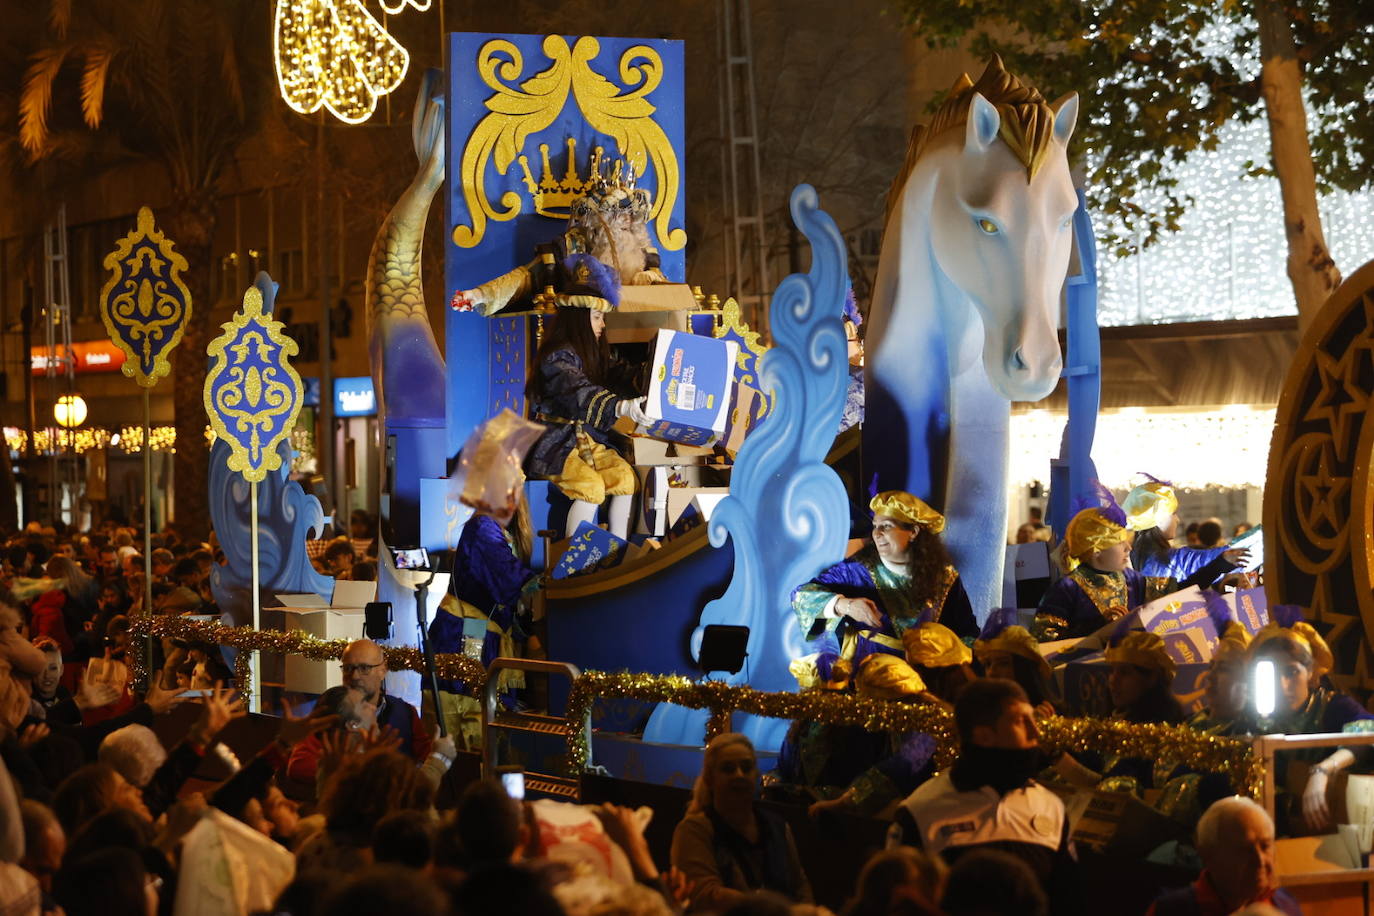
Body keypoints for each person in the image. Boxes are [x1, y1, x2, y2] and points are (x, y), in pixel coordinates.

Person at [894, 679, 1080, 914]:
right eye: (1021, 721)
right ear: (983, 735)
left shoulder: (1050, 806)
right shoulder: (920, 811)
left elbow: (1069, 901)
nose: (1035, 732)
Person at [792, 491, 977, 692]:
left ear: (913, 532)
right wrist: (846, 605)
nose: (876, 534)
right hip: (871, 682)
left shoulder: (944, 578)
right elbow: (802, 595)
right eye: (875, 527)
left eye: (886, 526)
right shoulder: (855, 571)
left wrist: (949, 650)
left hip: (927, 686)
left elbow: (967, 634)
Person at [523, 296, 645, 541]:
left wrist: (650, 377)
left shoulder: (592, 355)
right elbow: (578, 392)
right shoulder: (557, 358)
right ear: (579, 320)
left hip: (586, 439)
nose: (602, 324)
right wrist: (620, 407)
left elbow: (619, 374)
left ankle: (617, 550)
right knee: (590, 487)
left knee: (625, 478)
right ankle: (575, 561)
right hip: (554, 444)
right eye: (597, 317)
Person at [1246, 606, 1374, 833]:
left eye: (1291, 672)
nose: (1283, 685)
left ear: (1311, 673)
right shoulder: (1253, 716)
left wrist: (1321, 771)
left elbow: (1366, 733)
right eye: (1273, 674)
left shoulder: (1333, 706)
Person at [671, 733, 813, 912]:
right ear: (709, 778)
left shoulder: (778, 827)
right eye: (728, 769)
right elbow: (705, 896)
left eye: (746, 768)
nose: (739, 775)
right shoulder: (694, 830)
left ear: (756, 776)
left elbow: (800, 887)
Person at [285, 639, 436, 785]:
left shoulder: (405, 712)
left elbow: (425, 758)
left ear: (382, 671)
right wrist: (361, 771)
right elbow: (299, 766)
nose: (355, 676)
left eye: (364, 668)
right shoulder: (331, 709)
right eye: (348, 668)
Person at [1146, 796, 1300, 915]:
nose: (1259, 861)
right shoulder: (1171, 911)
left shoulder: (1284, 903)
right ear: (1208, 856)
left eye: (1265, 846)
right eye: (1244, 850)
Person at [1036, 490, 1143, 640]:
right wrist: (1098, 628)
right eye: (1119, 542)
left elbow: (1172, 597)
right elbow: (1045, 639)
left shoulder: (1132, 579)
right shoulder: (1067, 588)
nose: (1128, 548)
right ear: (1095, 551)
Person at [1124, 478, 1247, 597]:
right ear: (1159, 519)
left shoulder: (1129, 558)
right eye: (1173, 513)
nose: (1177, 519)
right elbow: (1212, 559)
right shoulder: (1173, 561)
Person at [973, 609, 1058, 715]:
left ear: (1025, 669)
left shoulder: (1051, 716)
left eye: (1003, 663)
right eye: (987, 664)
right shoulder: (980, 716)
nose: (991, 672)